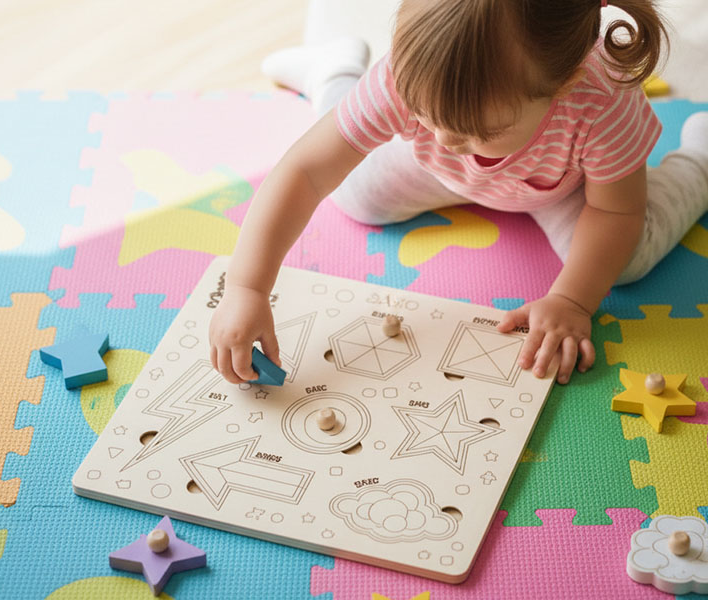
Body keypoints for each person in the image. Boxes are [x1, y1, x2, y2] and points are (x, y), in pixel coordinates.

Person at [209, 0, 708, 386]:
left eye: (476, 130)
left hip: (561, 186)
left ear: (565, 83)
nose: (446, 138)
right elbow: (306, 171)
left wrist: (572, 301)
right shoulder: (409, 78)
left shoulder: (602, 98)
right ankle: (334, 71)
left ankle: (700, 160)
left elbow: (615, 211)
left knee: (626, 261)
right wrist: (246, 287)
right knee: (359, 196)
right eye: (426, 115)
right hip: (434, 171)